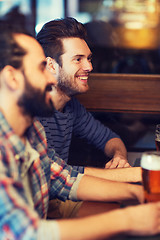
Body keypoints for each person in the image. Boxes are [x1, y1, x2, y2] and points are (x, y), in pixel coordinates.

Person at [1, 21, 160, 240]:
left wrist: (138, 192)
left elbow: (65, 178)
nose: (50, 77)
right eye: (41, 67)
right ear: (12, 78)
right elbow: (26, 233)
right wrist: (128, 219)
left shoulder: (31, 130)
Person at [36, 17, 130, 171]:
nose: (89, 67)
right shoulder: (33, 111)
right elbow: (55, 176)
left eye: (89, 58)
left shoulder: (71, 106)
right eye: (78, 59)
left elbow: (110, 139)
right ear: (51, 66)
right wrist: (130, 175)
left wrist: (119, 156)